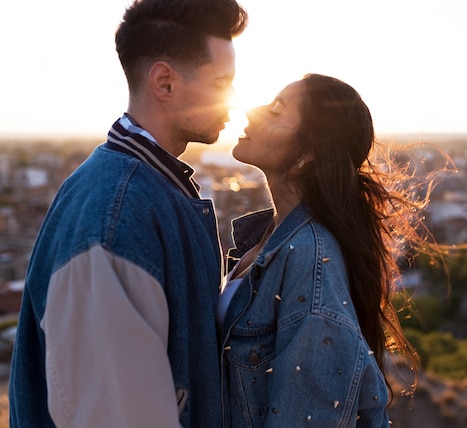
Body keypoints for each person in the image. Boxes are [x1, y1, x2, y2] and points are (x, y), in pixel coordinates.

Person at [9, 0, 247, 427]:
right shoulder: (115, 215)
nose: (233, 99)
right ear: (164, 82)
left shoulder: (147, 190)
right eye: (222, 82)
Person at [219, 74, 429, 427]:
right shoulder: (270, 240)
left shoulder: (308, 258)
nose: (253, 111)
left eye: (275, 111)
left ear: (308, 154)